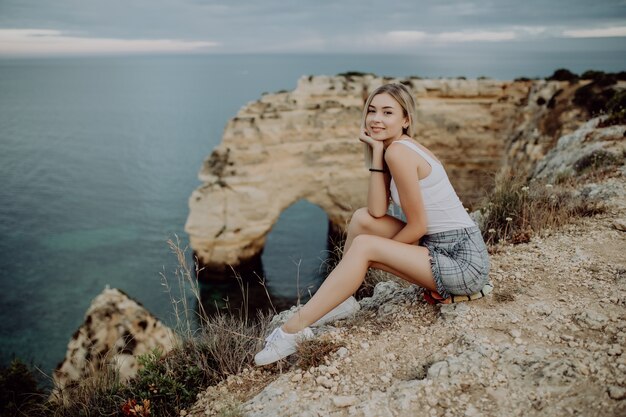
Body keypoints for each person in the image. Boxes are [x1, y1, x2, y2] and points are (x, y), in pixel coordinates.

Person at [254, 83, 490, 366]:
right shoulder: (393, 150)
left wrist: (371, 255)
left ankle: (291, 331)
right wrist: (377, 153)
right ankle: (342, 299)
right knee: (362, 219)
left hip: (463, 262)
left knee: (365, 247)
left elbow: (417, 226)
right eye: (372, 111)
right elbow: (377, 210)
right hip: (443, 248)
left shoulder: (400, 152)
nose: (376, 119)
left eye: (387, 112)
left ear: (406, 120)